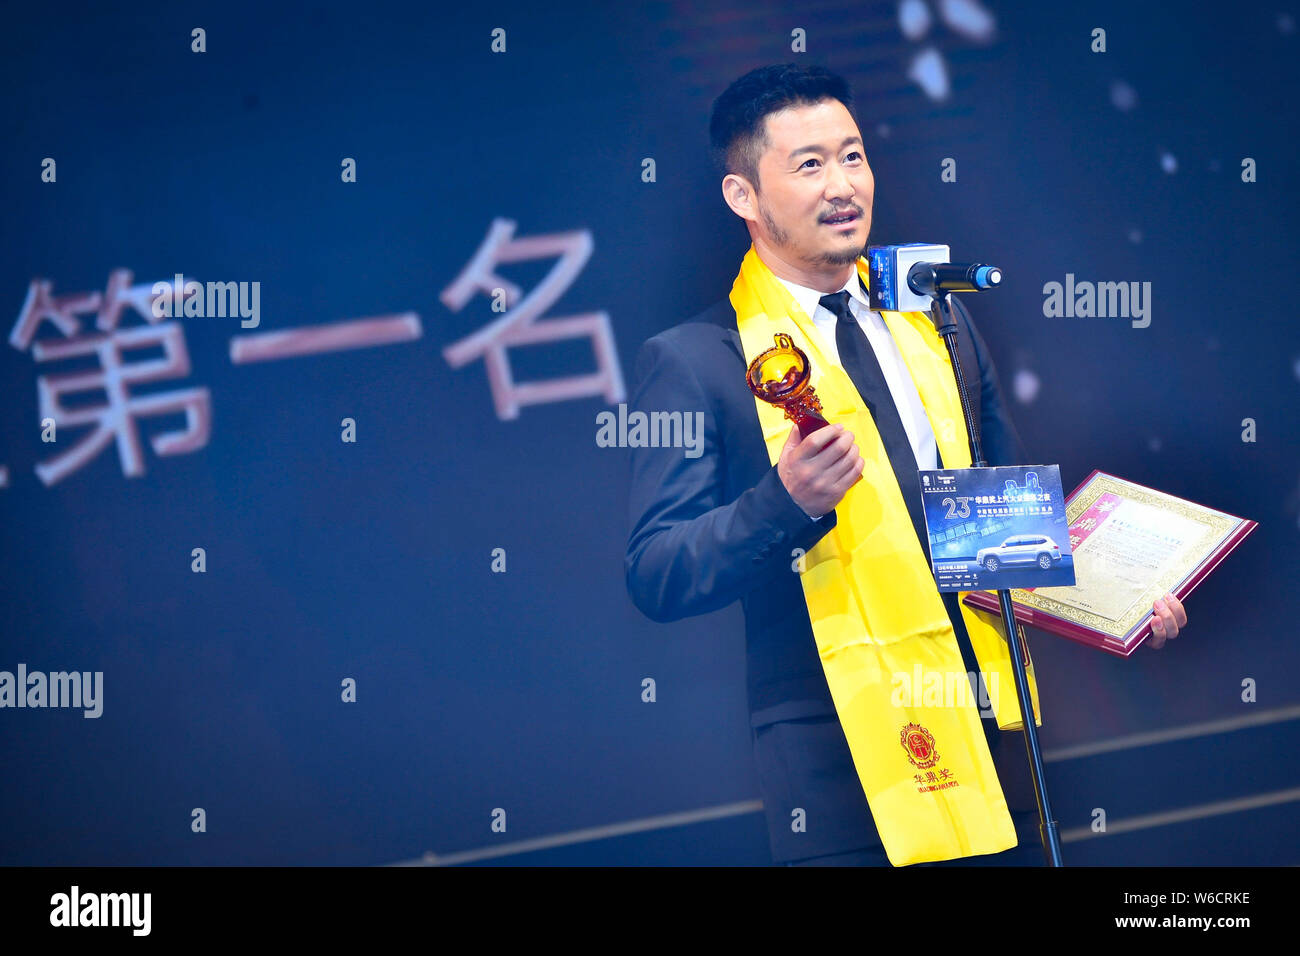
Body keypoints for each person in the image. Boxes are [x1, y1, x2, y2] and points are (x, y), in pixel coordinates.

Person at [623, 63, 1186, 867]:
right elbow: (656, 570)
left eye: (853, 156)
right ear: (743, 197)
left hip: (991, 728)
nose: (842, 184)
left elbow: (1011, 518)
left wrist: (1122, 596)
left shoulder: (937, 323)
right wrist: (783, 501)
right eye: (809, 164)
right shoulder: (696, 361)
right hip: (842, 767)